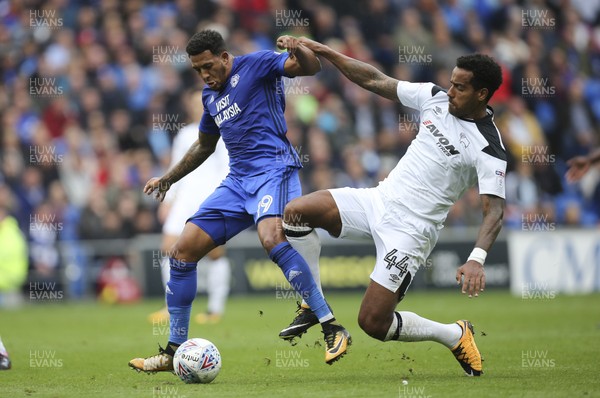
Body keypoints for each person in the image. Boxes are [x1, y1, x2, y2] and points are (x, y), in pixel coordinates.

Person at [280, 38, 506, 377]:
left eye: (459, 87)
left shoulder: (489, 146)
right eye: (451, 82)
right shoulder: (435, 98)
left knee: (372, 322)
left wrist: (476, 259)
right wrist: (323, 50)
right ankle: (313, 304)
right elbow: (373, 80)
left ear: (482, 94)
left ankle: (455, 335)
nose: (450, 91)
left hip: (411, 231)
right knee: (296, 213)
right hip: (378, 200)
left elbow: (495, 210)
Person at [129, 30, 350, 373]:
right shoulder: (209, 97)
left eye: (207, 66)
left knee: (272, 239)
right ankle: (173, 350)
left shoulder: (256, 65)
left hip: (274, 169)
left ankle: (331, 326)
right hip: (237, 181)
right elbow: (204, 145)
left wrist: (299, 48)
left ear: (224, 57)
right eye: (197, 70)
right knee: (182, 251)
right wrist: (168, 178)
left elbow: (309, 68)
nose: (204, 74)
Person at [147, 89, 231, 325]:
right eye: (194, 103)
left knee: (214, 253)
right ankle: (170, 305)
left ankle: (215, 308)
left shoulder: (223, 130)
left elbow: (227, 167)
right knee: (168, 247)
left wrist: (223, 198)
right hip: (185, 197)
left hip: (210, 196)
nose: (198, 107)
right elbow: (176, 166)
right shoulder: (184, 134)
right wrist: (169, 198)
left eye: (202, 103)